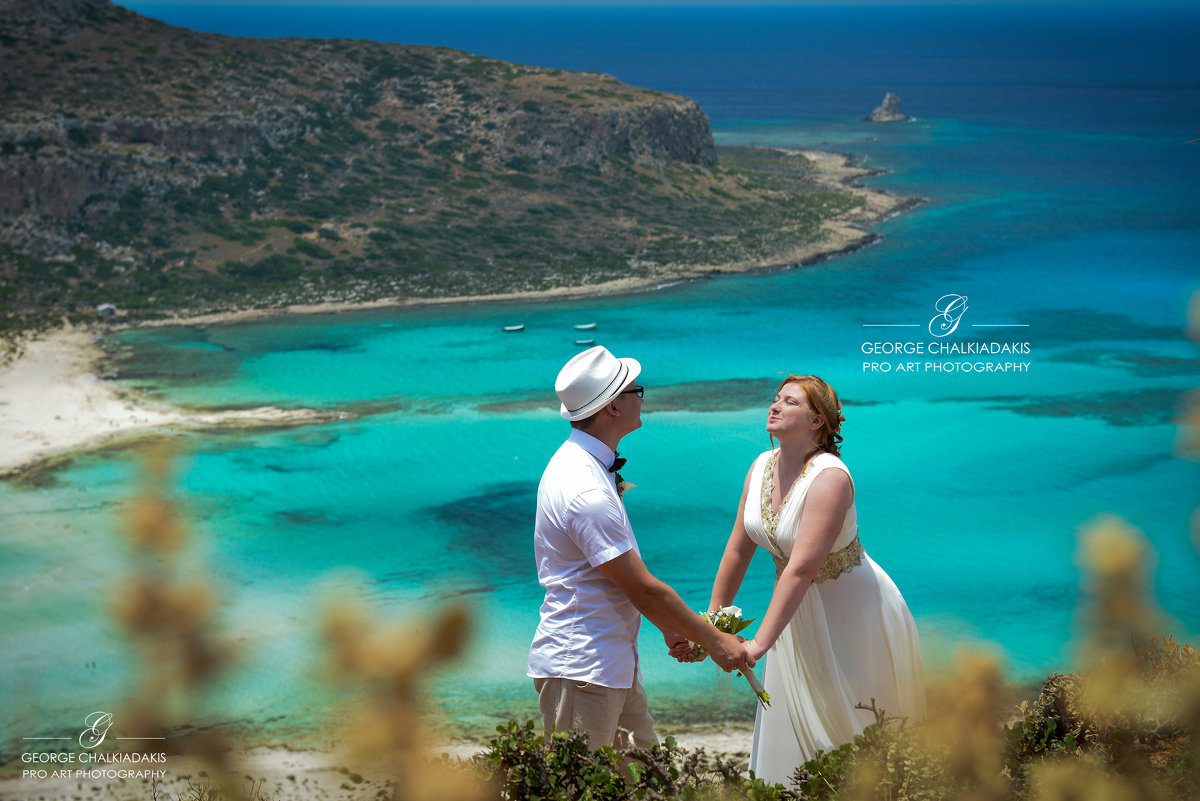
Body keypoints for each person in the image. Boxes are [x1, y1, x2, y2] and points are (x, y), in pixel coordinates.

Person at [698, 374, 925, 782]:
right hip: (793, 612)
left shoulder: (830, 478)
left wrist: (757, 644)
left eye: (789, 402)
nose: (775, 406)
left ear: (817, 421)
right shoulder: (760, 466)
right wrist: (712, 622)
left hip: (852, 617)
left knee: (858, 731)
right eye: (775, 399)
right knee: (793, 730)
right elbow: (738, 547)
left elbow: (802, 569)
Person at [527, 345, 755, 751]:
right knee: (584, 790)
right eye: (637, 391)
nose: (642, 398)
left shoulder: (586, 467)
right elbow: (643, 588)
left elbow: (619, 575)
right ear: (613, 407)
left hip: (609, 664)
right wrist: (716, 641)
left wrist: (672, 628)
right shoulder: (585, 489)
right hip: (583, 667)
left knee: (646, 783)